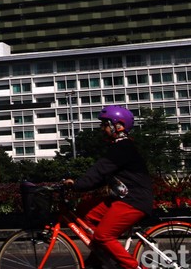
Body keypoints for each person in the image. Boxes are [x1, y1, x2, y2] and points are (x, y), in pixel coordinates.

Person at [64, 105, 153, 269]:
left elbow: (99, 170)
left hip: (134, 200)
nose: (102, 128)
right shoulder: (118, 146)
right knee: (85, 213)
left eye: (105, 124)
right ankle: (101, 257)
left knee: (103, 235)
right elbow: (102, 176)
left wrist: (77, 185)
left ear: (118, 126)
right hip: (123, 198)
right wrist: (79, 185)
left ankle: (130, 266)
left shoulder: (123, 147)